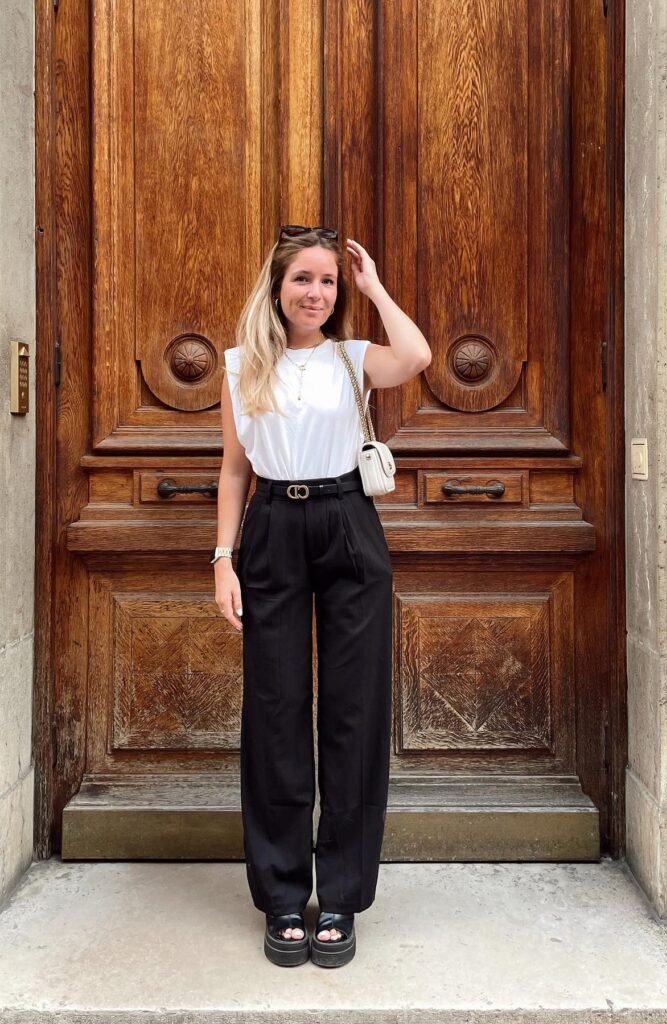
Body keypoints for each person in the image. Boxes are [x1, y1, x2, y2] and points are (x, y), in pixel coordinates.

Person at [213, 225, 431, 967]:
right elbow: (234, 470)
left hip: (346, 521)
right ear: (277, 287)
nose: (316, 293)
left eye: (328, 281)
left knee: (353, 710)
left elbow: (416, 357)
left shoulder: (351, 357)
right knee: (274, 709)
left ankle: (339, 895)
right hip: (272, 525)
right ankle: (282, 895)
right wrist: (222, 558)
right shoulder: (241, 365)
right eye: (303, 279)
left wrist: (374, 287)